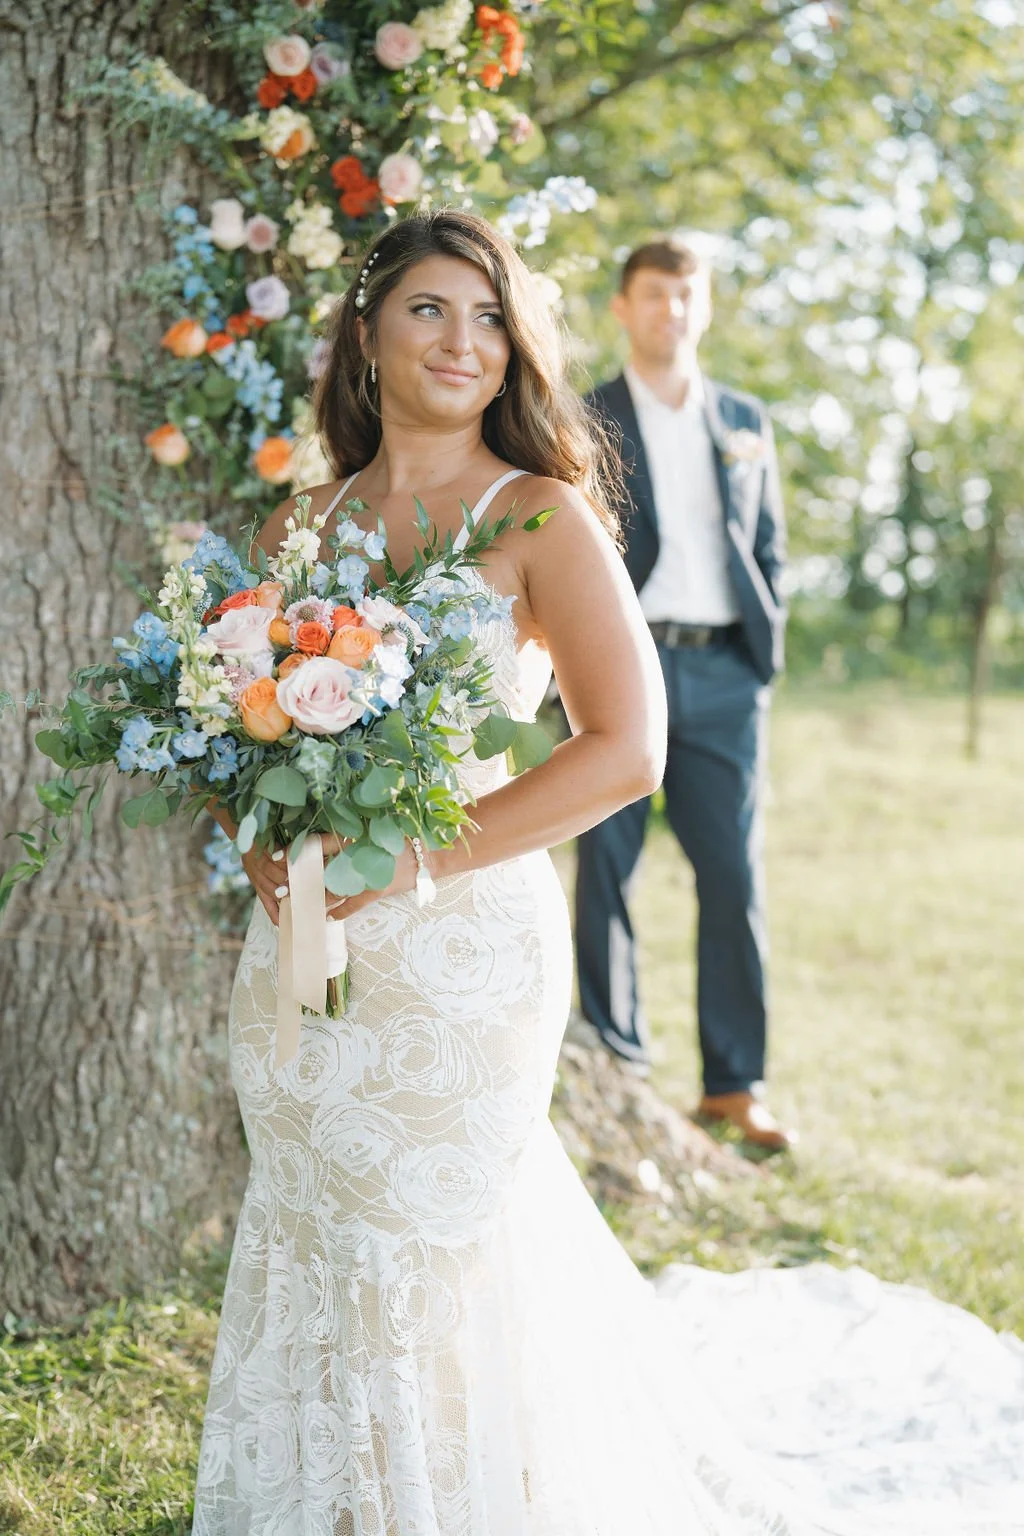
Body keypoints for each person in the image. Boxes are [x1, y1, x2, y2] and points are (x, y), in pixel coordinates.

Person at [192, 211, 1024, 1534]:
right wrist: (276, 874)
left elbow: (627, 751)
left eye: (488, 316)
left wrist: (408, 863)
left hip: (464, 934)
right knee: (317, 1213)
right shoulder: (301, 520)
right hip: (302, 940)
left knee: (444, 1230)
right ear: (365, 333)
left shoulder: (539, 514)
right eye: (427, 310)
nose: (461, 340)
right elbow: (240, 727)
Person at [577, 237, 794, 1152]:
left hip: (725, 674)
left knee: (733, 879)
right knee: (606, 869)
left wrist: (761, 652)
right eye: (656, 294)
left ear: (703, 308)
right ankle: (616, 1062)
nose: (673, 309)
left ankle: (733, 1086)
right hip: (622, 665)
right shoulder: (583, 414)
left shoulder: (744, 418)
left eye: (687, 295)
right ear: (624, 308)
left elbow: (770, 546)